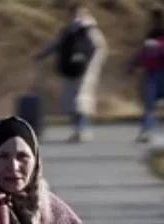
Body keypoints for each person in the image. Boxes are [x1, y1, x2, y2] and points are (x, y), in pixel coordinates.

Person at [33, 2, 107, 143]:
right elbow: (55, 44)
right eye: (73, 13)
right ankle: (77, 130)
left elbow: (100, 48)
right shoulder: (68, 31)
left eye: (78, 13)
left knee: (81, 100)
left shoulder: (90, 30)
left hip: (85, 71)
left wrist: (92, 66)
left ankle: (82, 129)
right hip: (69, 69)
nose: (74, 16)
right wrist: (41, 54)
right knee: (71, 101)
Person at [126, 8, 164, 142]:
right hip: (152, 72)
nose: (153, 22)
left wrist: (160, 47)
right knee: (148, 104)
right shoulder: (151, 36)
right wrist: (132, 64)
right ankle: (146, 131)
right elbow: (143, 52)